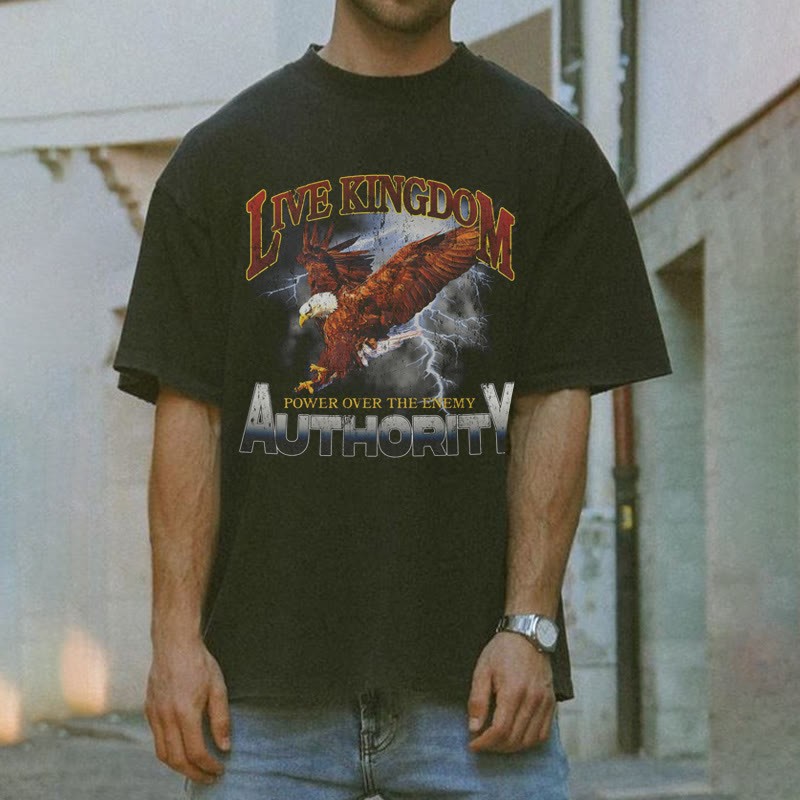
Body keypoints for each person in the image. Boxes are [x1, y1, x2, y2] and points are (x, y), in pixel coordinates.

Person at [112, 1, 671, 797]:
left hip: (480, 697)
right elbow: (190, 408)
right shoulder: (223, 158)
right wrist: (174, 640)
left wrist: (530, 626)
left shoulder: (548, 153)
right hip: (260, 705)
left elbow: (554, 398)